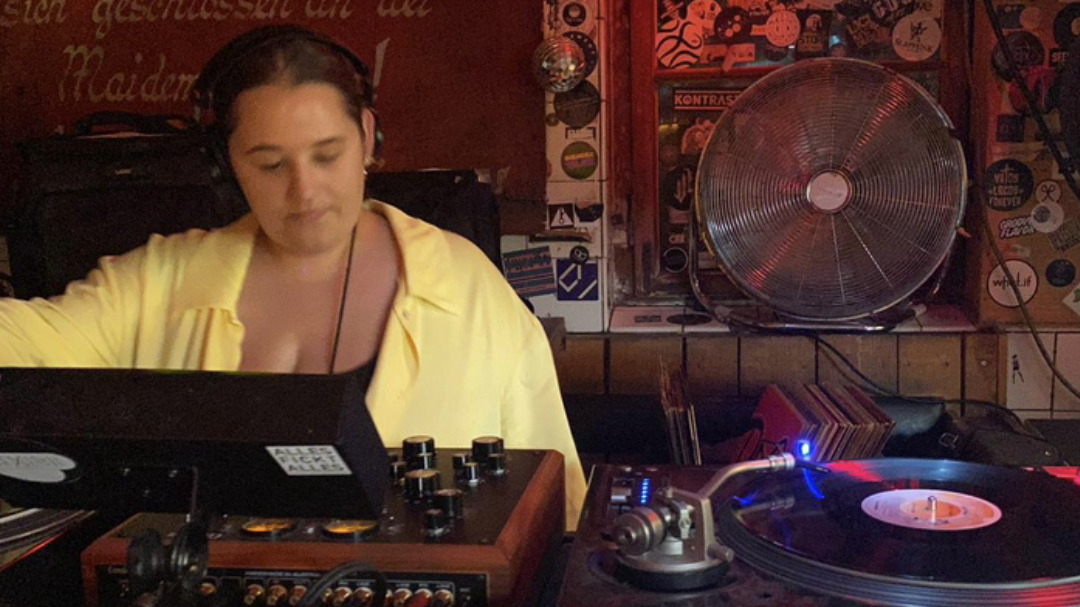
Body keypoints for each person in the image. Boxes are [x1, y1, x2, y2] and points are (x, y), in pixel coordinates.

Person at [0, 25, 586, 529]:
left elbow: (557, 508)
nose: (304, 191)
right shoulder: (162, 281)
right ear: (225, 164)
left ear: (368, 137)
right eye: (270, 164)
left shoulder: (468, 286)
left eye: (327, 155)